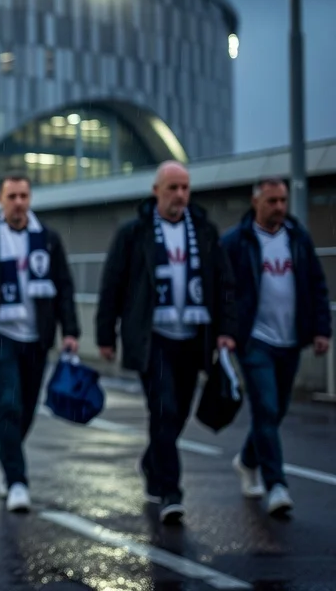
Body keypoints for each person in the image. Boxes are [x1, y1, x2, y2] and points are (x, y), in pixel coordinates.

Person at [95, 161, 237, 525]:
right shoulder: (134, 232)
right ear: (156, 191)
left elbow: (224, 284)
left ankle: (150, 463)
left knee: (176, 415)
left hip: (193, 338)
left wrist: (226, 330)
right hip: (152, 338)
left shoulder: (204, 231)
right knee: (164, 411)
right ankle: (172, 493)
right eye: (173, 188)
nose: (180, 196)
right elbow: (113, 284)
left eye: (185, 188)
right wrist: (105, 334)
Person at [222, 177, 330, 517]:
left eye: (283, 200)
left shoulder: (297, 239)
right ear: (256, 202)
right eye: (272, 201)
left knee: (277, 411)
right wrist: (226, 332)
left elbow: (316, 284)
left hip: (290, 339)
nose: (279, 207)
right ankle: (277, 485)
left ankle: (248, 460)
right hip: (255, 340)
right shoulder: (237, 242)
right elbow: (223, 291)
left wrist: (321, 329)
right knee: (265, 408)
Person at [0, 173, 79, 513]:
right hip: (1, 336)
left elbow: (64, 285)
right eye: (12, 196)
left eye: (24, 196)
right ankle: (18, 481)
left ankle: (5, 458)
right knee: (9, 405)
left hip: (37, 337)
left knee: (27, 409)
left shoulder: (47, 238)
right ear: (1, 200)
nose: (19, 202)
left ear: (30, 199)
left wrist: (71, 331)